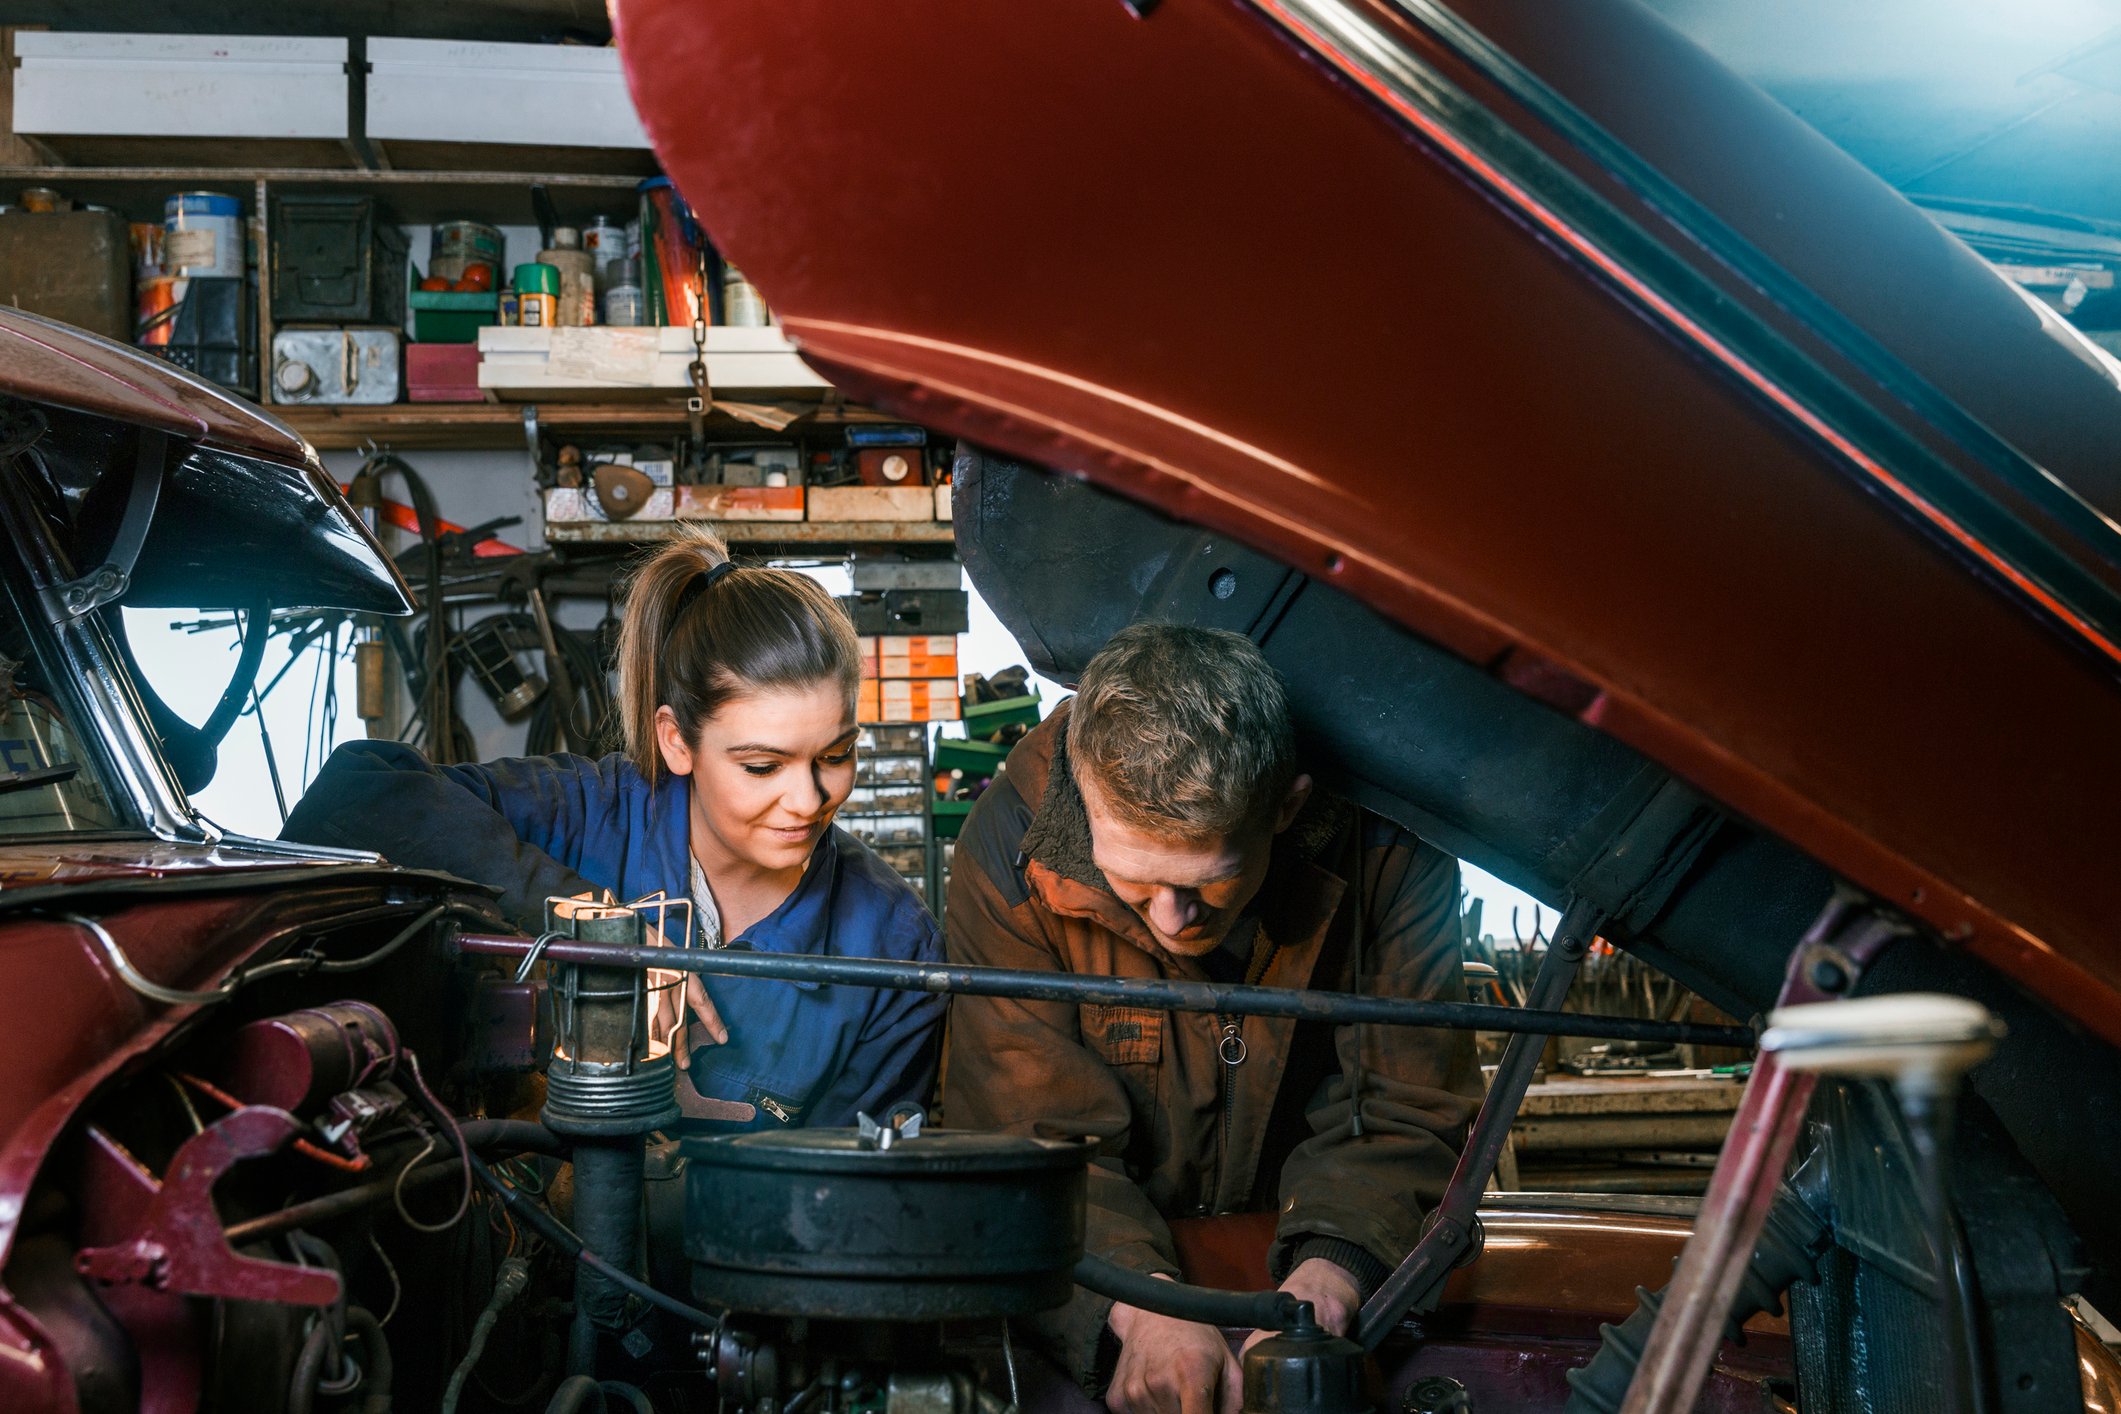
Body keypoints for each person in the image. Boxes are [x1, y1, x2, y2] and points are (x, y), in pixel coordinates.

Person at [942, 623, 1479, 1413]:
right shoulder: (1008, 849)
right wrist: (1142, 1307)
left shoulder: (1393, 843)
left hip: (1309, 1254)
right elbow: (1030, 1141)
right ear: (1085, 796)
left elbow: (1406, 1103)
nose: (1170, 919)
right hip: (1098, 1282)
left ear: (1286, 808)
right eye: (1135, 879)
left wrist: (1329, 1279)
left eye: (1207, 882)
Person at [283, 528, 942, 1131]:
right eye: (762, 766)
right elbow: (354, 797)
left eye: (835, 756)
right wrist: (593, 925)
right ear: (677, 742)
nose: (807, 800)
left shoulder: (895, 947)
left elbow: (848, 1203)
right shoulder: (587, 811)